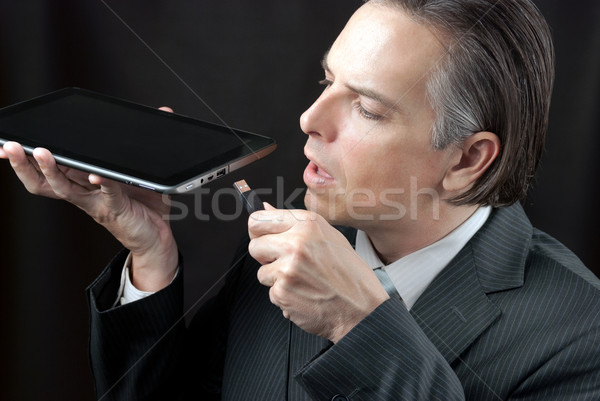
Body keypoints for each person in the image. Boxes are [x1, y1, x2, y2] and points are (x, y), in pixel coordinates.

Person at [1, 0, 599, 399]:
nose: (310, 118)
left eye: (366, 107)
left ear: (468, 160)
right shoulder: (285, 248)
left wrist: (363, 325)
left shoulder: (580, 334)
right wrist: (150, 254)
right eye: (325, 82)